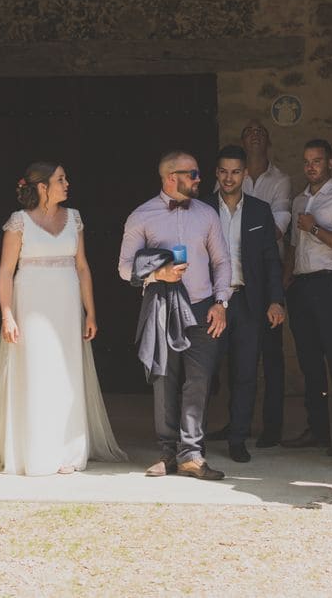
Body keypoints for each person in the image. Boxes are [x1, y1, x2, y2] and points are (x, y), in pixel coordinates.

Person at [0, 162, 126, 475]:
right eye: (60, 179)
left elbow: (82, 268)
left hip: (67, 305)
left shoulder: (74, 219)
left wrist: (91, 312)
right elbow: (5, 272)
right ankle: (37, 449)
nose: (67, 183)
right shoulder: (19, 222)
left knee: (66, 373)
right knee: (35, 371)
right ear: (42, 187)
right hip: (30, 303)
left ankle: (67, 450)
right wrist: (7, 314)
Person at [119, 150, 232, 480]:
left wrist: (221, 302)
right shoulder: (142, 216)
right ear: (171, 178)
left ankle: (192, 455)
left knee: (199, 381)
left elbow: (222, 262)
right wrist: (159, 275)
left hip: (202, 305)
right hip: (162, 305)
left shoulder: (207, 214)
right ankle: (167, 454)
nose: (199, 179)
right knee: (164, 380)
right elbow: (124, 268)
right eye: (193, 174)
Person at [202, 146, 286, 462]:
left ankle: (237, 438)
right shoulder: (202, 207)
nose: (229, 177)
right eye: (223, 171)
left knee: (246, 372)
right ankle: (194, 439)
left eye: (235, 172)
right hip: (212, 302)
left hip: (248, 302)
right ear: (216, 173)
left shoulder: (259, 210)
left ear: (244, 174)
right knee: (206, 372)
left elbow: (270, 261)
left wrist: (276, 300)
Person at [282, 139, 332, 457]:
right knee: (309, 362)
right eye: (306, 161)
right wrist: (286, 283)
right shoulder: (299, 200)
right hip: (300, 286)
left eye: (317, 160)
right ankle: (317, 429)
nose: (310, 166)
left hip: (328, 285)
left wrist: (315, 230)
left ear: (330, 162)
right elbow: (293, 248)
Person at [236, 120, 292, 446]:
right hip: (238, 280)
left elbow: (279, 226)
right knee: (236, 355)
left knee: (271, 356)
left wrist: (242, 238)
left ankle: (272, 427)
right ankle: (235, 422)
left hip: (269, 275)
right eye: (249, 131)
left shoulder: (280, 179)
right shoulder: (232, 177)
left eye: (261, 131)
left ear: (268, 141)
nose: (255, 134)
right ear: (243, 141)